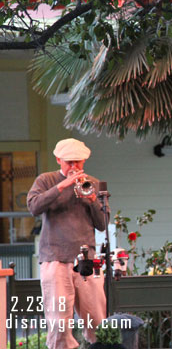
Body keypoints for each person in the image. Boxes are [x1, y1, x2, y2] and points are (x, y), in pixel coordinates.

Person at [27, 138, 107, 349]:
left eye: (78, 162)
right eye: (69, 162)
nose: (74, 167)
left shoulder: (94, 183)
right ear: (58, 160)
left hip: (87, 259)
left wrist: (93, 201)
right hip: (55, 258)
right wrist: (61, 186)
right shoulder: (45, 180)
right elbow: (34, 207)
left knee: (96, 317)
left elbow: (102, 224)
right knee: (59, 320)